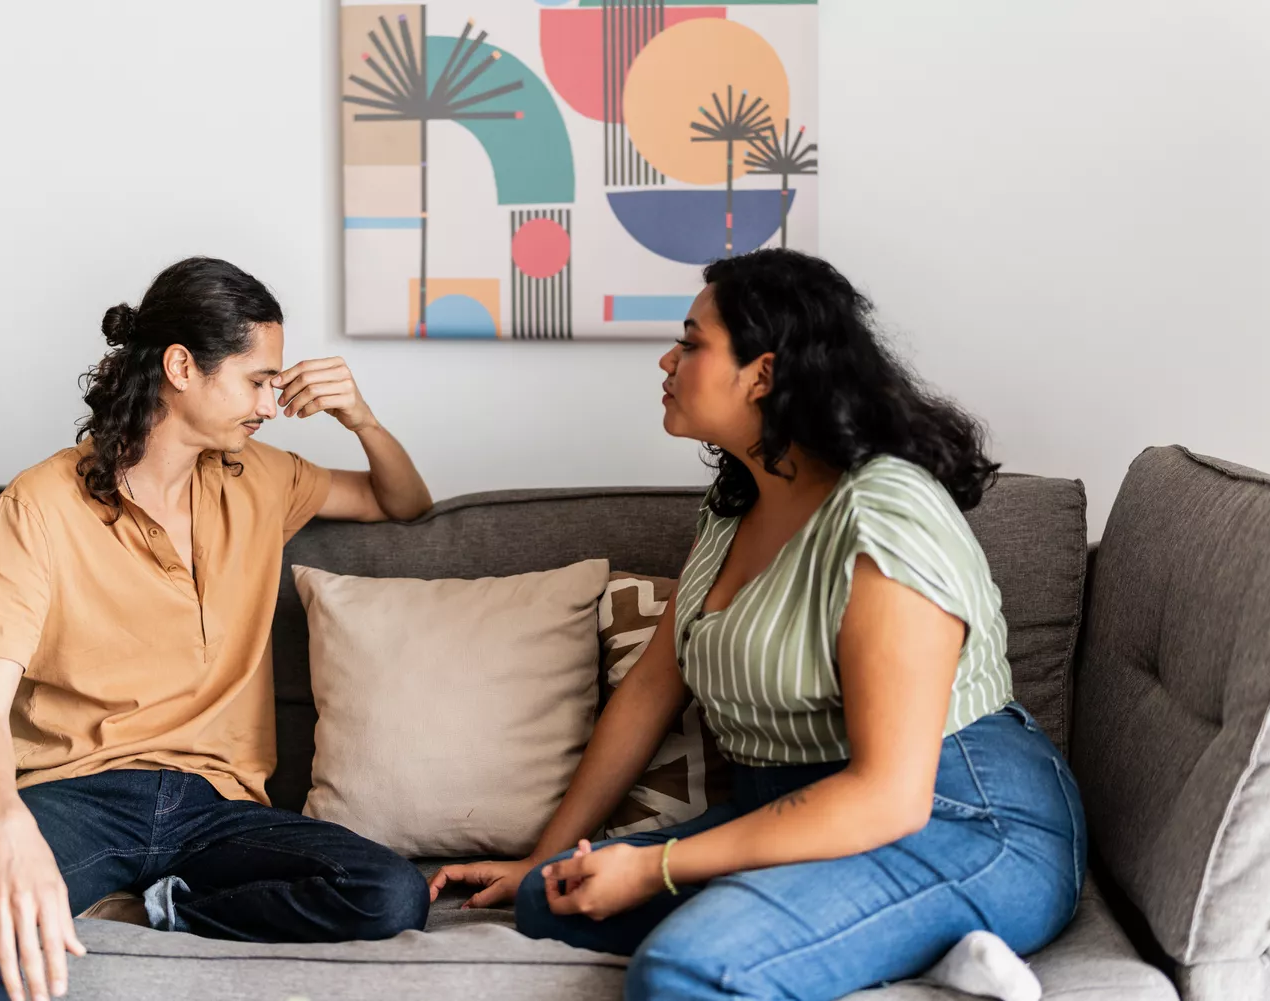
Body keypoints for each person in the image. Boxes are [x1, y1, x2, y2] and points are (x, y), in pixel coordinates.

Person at [430, 249, 1086, 1001]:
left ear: (764, 375)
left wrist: (652, 866)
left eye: (691, 341)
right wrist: (539, 859)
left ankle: (909, 934)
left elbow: (887, 796)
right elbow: (649, 690)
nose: (667, 360)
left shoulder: (886, 516)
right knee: (553, 896)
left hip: (957, 817)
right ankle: (918, 953)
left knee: (687, 971)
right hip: (789, 813)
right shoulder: (737, 502)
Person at [0, 257, 435, 1001]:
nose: (271, 403)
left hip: (216, 808)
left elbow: (403, 502)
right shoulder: (42, 503)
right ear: (183, 366)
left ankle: (167, 907)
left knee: (389, 890)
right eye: (258, 379)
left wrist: (363, 418)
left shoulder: (261, 477)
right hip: (83, 793)